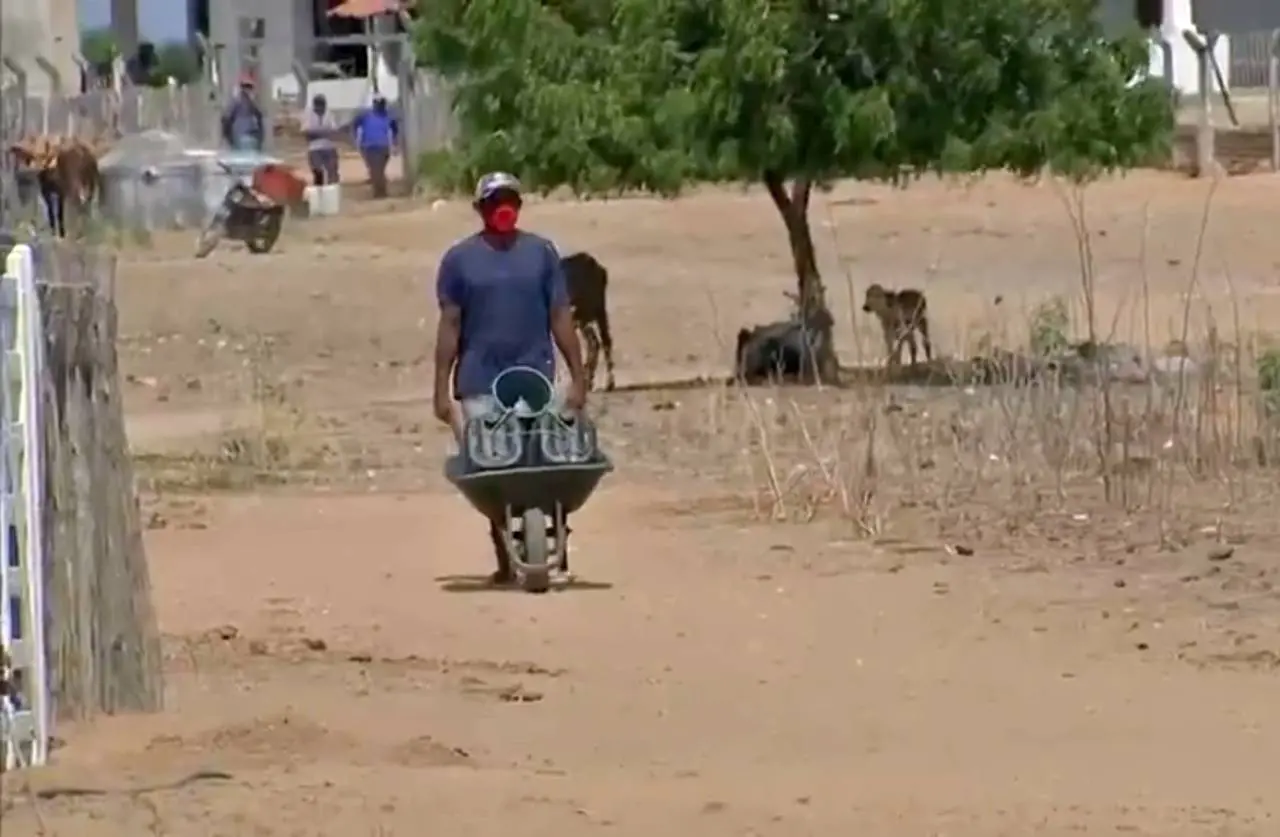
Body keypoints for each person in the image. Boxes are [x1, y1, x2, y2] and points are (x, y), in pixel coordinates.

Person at [433, 172, 589, 586]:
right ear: (480, 209)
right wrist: (441, 391)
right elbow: (450, 324)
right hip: (480, 381)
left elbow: (560, 316)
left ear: (519, 206)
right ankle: (504, 555)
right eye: (494, 200)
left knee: (548, 462)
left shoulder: (541, 254)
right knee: (493, 469)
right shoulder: (459, 260)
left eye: (510, 200)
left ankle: (558, 538)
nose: (503, 207)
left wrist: (578, 376)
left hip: (535, 378)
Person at [351, 95, 397, 198]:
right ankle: (380, 191)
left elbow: (394, 128)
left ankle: (380, 192)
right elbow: (355, 123)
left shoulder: (387, 116)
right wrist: (356, 137)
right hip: (371, 146)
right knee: (376, 170)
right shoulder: (367, 116)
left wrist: (394, 140)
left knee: (377, 170)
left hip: (379, 146)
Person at [302, 93, 339, 186]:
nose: (320, 107)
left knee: (333, 172)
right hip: (314, 148)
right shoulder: (308, 115)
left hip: (329, 147)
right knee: (318, 173)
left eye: (322, 104)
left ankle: (332, 194)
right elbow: (306, 133)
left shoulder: (329, 114)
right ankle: (319, 196)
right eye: (318, 104)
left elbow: (334, 132)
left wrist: (316, 133)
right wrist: (324, 132)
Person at [221, 75, 265, 152]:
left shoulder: (252, 104)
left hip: (246, 137)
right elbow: (226, 118)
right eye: (247, 87)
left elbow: (226, 118)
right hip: (243, 137)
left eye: (249, 87)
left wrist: (227, 136)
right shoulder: (239, 102)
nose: (248, 90)